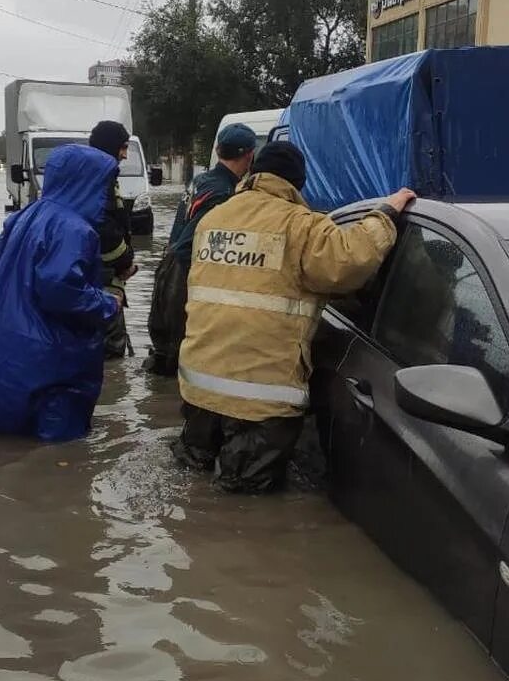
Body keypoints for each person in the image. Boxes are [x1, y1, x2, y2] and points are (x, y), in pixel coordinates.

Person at [173, 141, 415, 493]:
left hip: (198, 387)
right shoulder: (301, 226)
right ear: (297, 183)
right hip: (259, 399)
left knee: (192, 484)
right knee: (244, 506)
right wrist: (385, 215)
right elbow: (349, 262)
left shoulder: (215, 218)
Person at [0, 143, 121, 442]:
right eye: (105, 185)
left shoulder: (24, 217)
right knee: (59, 453)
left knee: (7, 434)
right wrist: (108, 303)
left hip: (9, 341)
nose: (108, 195)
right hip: (53, 355)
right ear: (86, 182)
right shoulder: (75, 229)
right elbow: (61, 289)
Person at [143, 123, 257, 376]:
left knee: (168, 350)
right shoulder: (224, 193)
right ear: (249, 155)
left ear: (217, 150)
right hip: (183, 273)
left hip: (169, 265)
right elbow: (192, 242)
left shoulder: (202, 180)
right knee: (182, 356)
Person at [89, 120, 138, 359]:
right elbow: (105, 231)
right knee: (110, 355)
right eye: (123, 147)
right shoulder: (100, 179)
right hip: (105, 282)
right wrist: (125, 261)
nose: (125, 155)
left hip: (103, 280)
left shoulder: (98, 176)